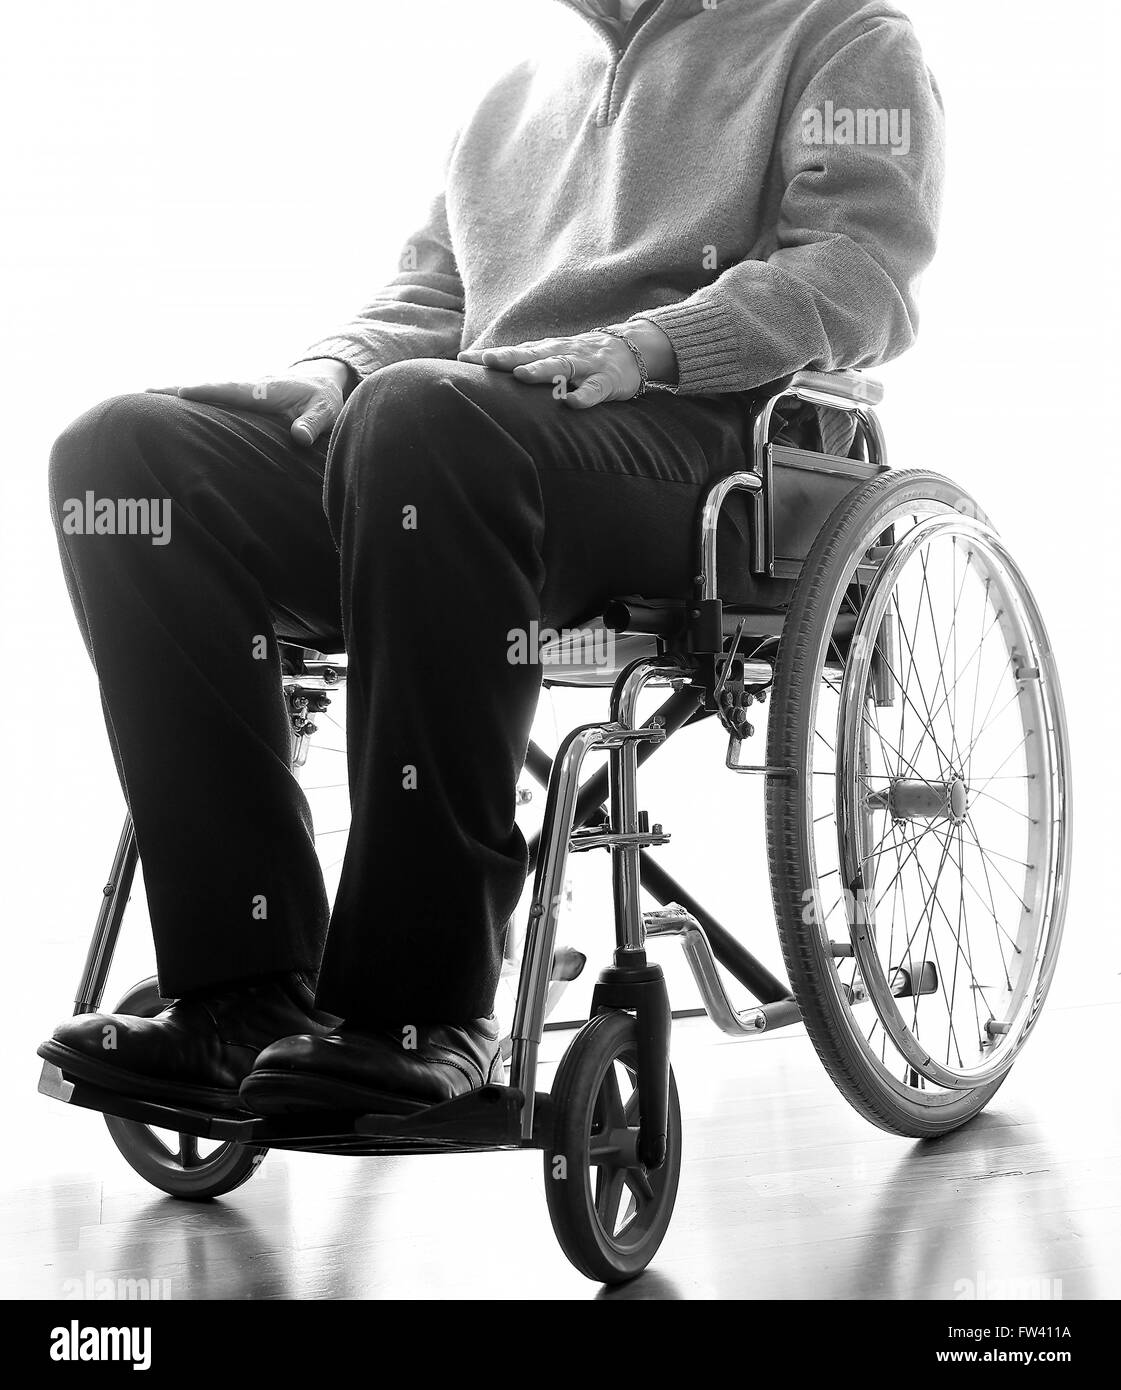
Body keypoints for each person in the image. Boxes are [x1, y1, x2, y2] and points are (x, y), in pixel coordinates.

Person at [40, 0, 944, 1115]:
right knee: (121, 455)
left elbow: (860, 272)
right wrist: (329, 371)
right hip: (454, 443)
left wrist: (649, 344)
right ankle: (246, 988)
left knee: (423, 421)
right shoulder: (517, 92)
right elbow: (431, 294)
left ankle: (423, 1004)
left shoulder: (843, 36)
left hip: (697, 450)